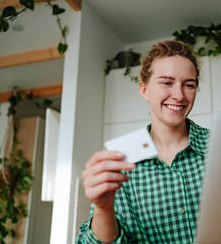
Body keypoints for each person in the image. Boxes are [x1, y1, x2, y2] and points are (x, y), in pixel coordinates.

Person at [77, 40, 209, 243]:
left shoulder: (220, 147)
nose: (179, 95)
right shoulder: (120, 158)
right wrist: (103, 208)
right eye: (166, 82)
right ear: (144, 89)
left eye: (189, 85)